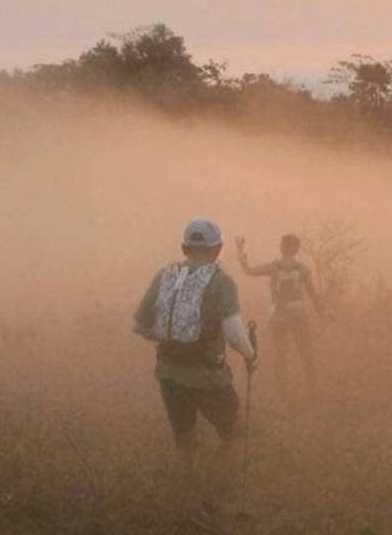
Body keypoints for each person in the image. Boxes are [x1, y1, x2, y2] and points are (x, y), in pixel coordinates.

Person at [133, 217, 258, 526]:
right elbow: (233, 332)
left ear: (184, 247)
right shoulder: (222, 281)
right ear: (218, 249)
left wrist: (170, 342)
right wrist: (251, 355)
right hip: (207, 376)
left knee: (186, 443)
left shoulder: (165, 274)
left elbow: (138, 325)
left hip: (167, 373)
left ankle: (183, 509)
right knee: (236, 433)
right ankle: (209, 502)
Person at [236, 233, 326, 395]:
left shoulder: (278, 267)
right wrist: (322, 311)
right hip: (293, 316)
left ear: (282, 247)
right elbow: (313, 294)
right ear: (296, 249)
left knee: (283, 354)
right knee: (301, 353)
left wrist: (240, 253)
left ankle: (286, 392)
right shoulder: (301, 269)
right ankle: (310, 389)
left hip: (282, 316)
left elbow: (248, 271)